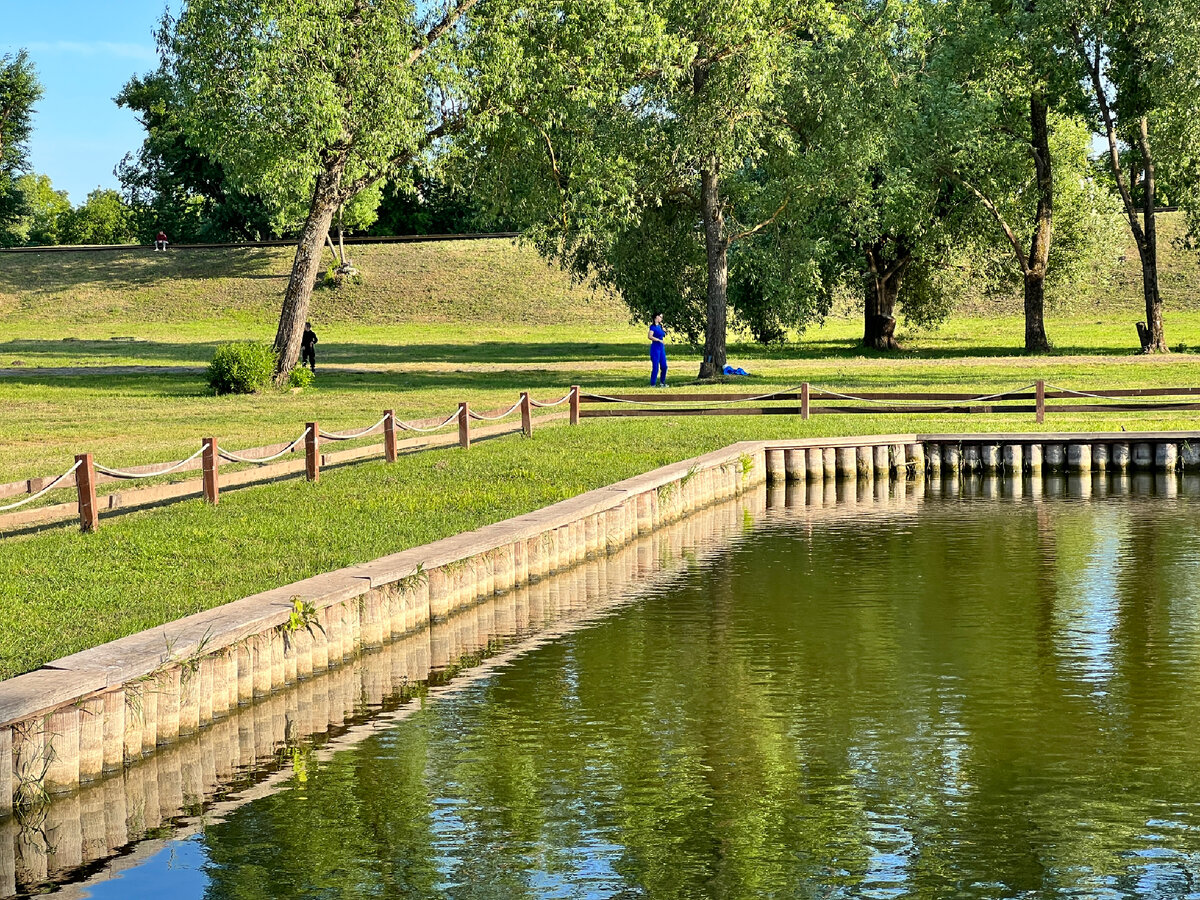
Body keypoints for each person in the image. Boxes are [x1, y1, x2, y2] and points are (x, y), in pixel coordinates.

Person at [648, 313, 667, 387]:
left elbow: (662, 334)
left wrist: (664, 331)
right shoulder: (652, 327)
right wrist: (658, 340)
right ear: (656, 317)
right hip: (655, 349)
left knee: (664, 366)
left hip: (661, 349)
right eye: (660, 317)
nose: (661, 318)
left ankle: (662, 382)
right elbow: (650, 336)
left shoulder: (660, 326)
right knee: (655, 367)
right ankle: (653, 384)